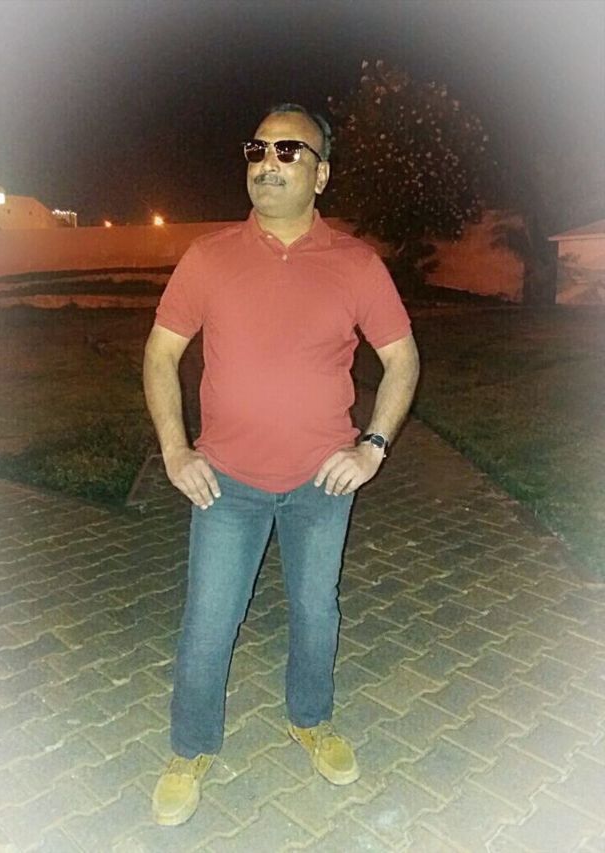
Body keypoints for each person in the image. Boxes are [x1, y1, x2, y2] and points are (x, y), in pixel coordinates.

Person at [143, 103, 420, 826]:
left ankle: (311, 719)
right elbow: (161, 354)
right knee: (209, 620)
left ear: (321, 174)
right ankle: (190, 748)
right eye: (259, 149)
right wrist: (175, 449)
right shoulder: (209, 256)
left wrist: (373, 446)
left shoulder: (356, 264)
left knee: (316, 611)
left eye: (289, 151)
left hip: (320, 482)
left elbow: (402, 360)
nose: (268, 162)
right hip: (226, 482)